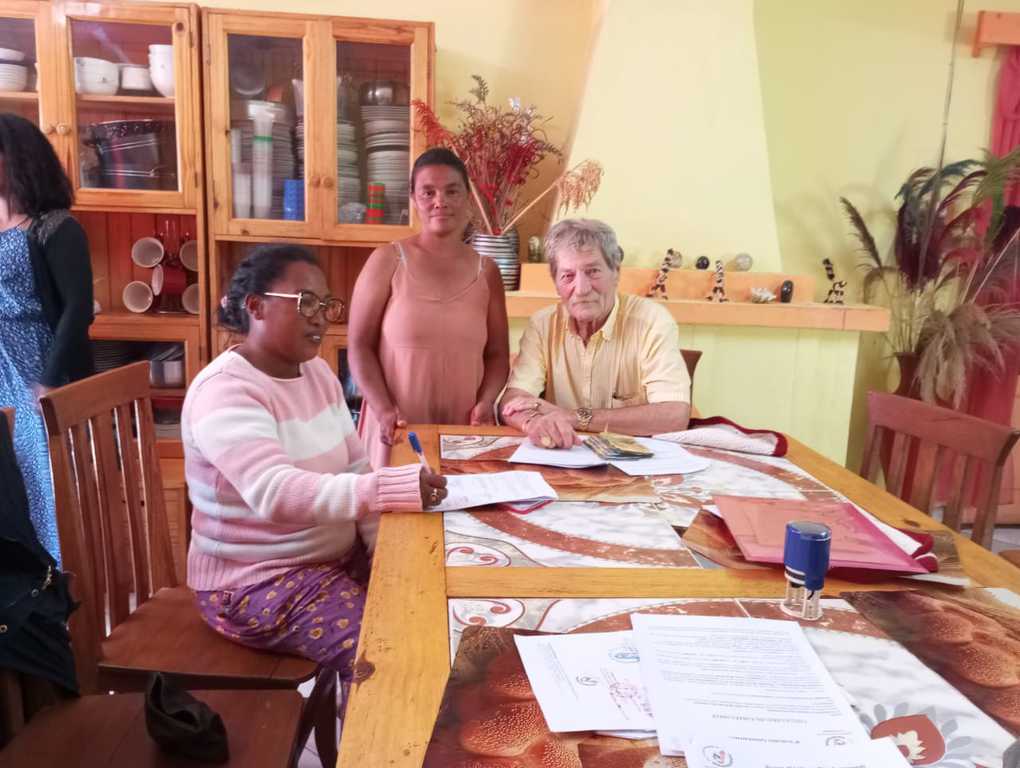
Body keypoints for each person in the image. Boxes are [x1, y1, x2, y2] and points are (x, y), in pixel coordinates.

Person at [182, 244, 447, 680]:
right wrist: (388, 489)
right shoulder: (225, 391)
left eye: (326, 305)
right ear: (256, 307)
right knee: (389, 651)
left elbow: (356, 470)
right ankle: (366, 725)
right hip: (256, 580)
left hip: (332, 559)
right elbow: (275, 493)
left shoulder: (319, 373)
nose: (321, 317)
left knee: (431, 594)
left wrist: (381, 555)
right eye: (306, 302)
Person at [349, 147, 510, 470]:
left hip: (464, 436)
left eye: (452, 191)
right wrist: (383, 408)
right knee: (396, 502)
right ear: (413, 198)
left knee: (464, 503)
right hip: (397, 430)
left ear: (467, 197)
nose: (440, 201)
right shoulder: (387, 260)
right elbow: (359, 345)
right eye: (428, 192)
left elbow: (497, 355)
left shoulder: (487, 271)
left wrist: (486, 402)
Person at [499, 218, 690, 448]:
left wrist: (573, 417)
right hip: (564, 456)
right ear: (556, 283)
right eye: (567, 276)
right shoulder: (542, 325)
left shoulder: (652, 321)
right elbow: (513, 402)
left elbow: (674, 414)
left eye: (593, 272)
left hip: (634, 460)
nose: (581, 289)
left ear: (616, 272)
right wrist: (534, 423)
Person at [0, 113, 94, 564]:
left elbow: (78, 308)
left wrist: (51, 380)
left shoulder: (55, 227)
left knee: (43, 476)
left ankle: (58, 578)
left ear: (17, 159)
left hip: (37, 362)